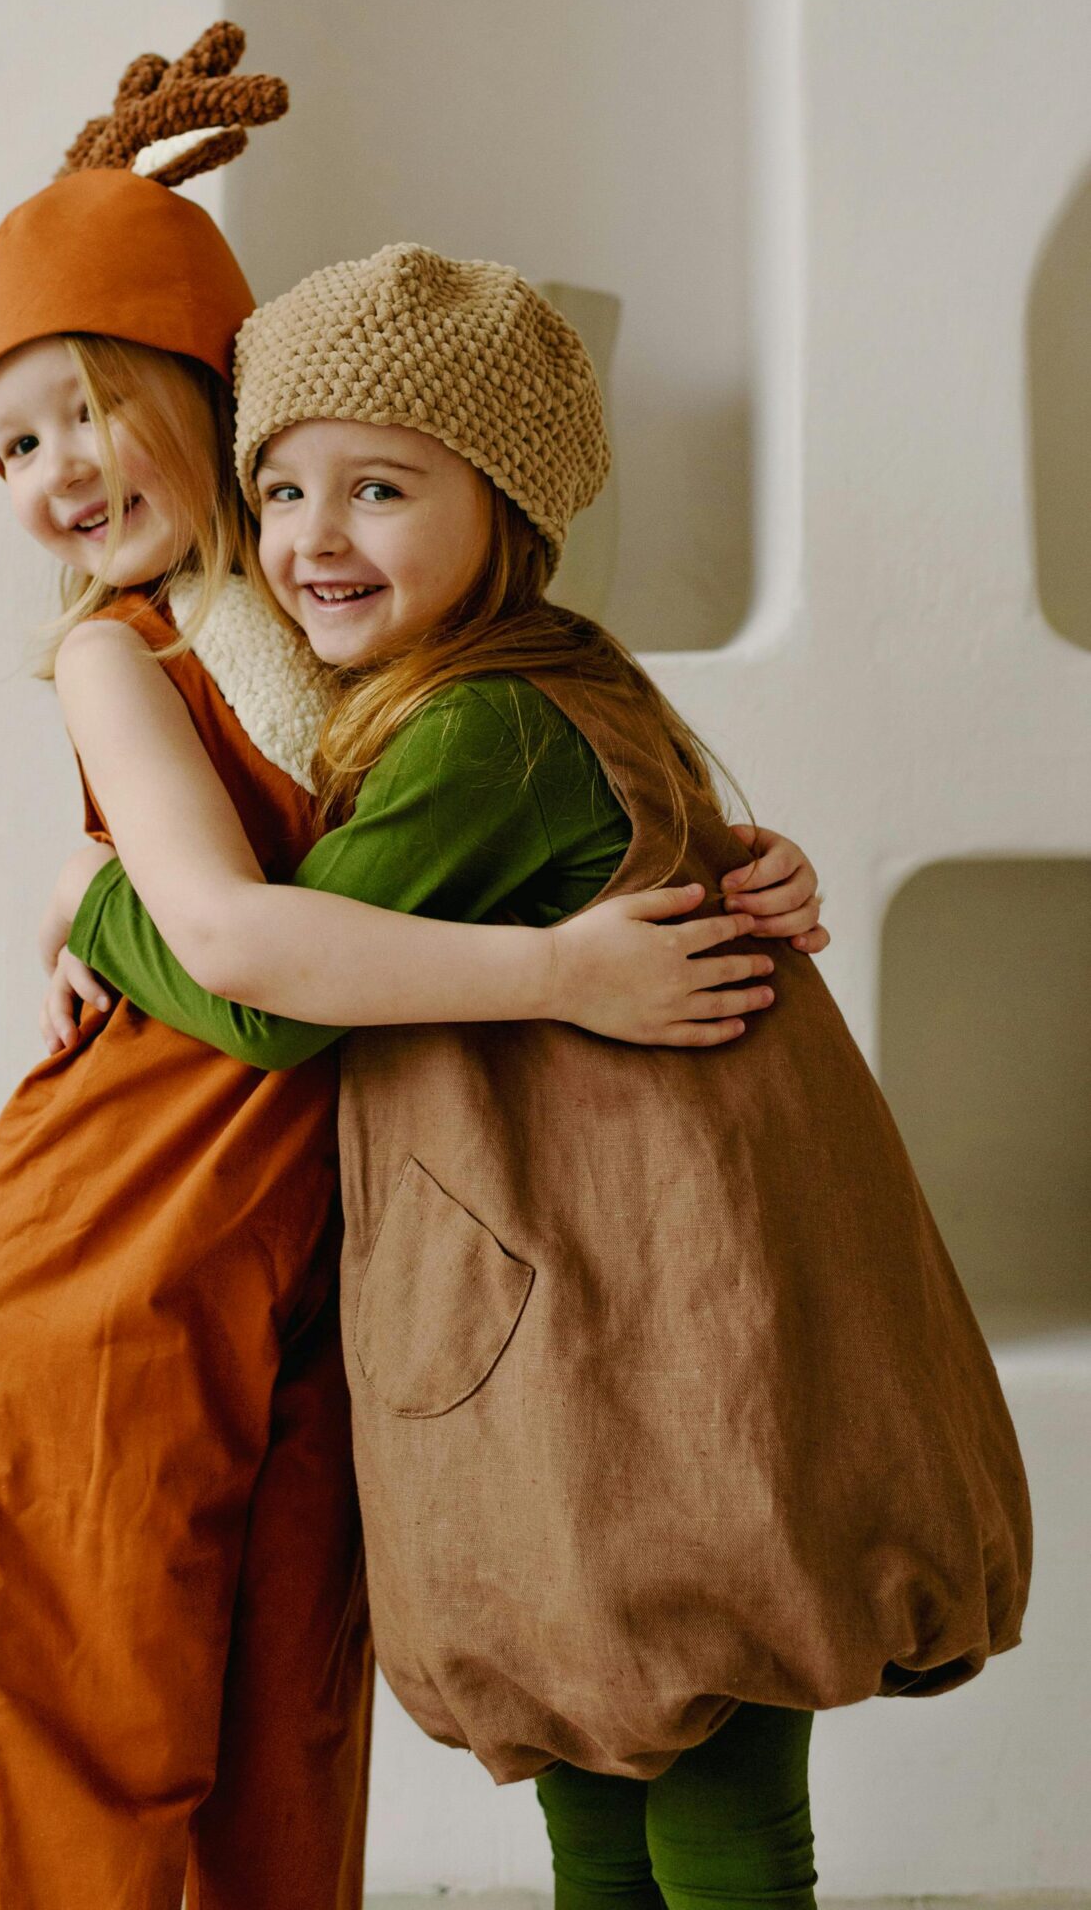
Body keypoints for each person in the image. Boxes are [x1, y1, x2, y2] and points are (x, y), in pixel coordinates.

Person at [0, 34, 825, 1910]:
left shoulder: (366, 636)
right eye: (17, 439)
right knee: (86, 1731)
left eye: (95, 407)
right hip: (127, 1240)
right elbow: (248, 947)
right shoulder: (123, 656)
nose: (61, 470)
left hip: (338, 1257)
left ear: (218, 398)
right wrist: (561, 975)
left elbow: (533, 793)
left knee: (291, 1727)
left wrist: (734, 866)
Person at [53, 242, 1031, 1910]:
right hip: (610, 1345)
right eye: (281, 489)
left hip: (654, 1357)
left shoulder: (483, 731)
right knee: (609, 1782)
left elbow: (279, 986)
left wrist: (100, 911)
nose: (312, 538)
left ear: (506, 507)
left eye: (380, 488)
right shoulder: (523, 690)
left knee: (701, 1789)